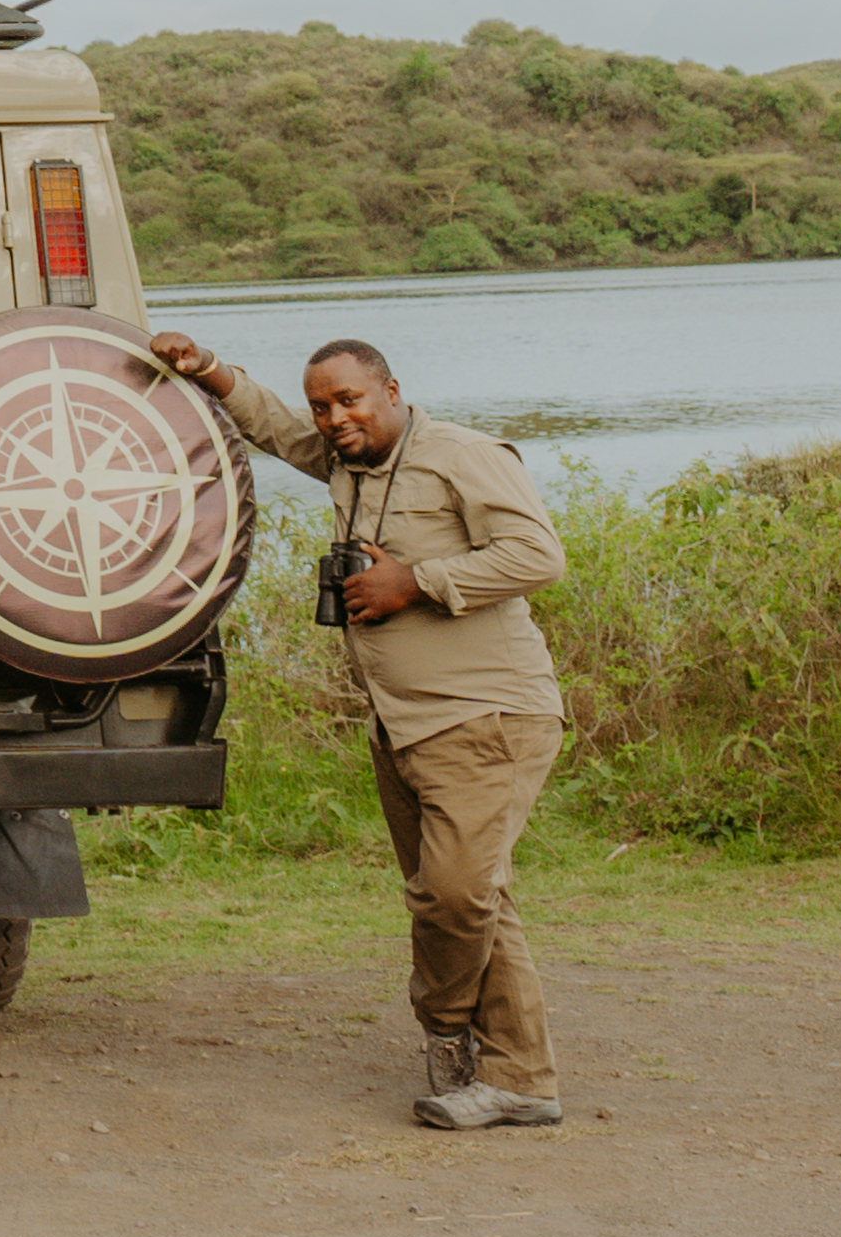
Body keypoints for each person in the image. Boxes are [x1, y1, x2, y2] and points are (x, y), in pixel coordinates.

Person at [147, 328, 571, 1128]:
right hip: (401, 723)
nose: (333, 417)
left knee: (451, 895)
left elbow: (537, 555)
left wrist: (415, 580)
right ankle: (520, 1077)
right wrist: (208, 372)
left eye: (348, 399)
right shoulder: (350, 463)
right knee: (481, 898)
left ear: (391, 391)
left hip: (485, 715)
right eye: (321, 405)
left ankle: (444, 1025)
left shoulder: (459, 454)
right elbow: (270, 426)